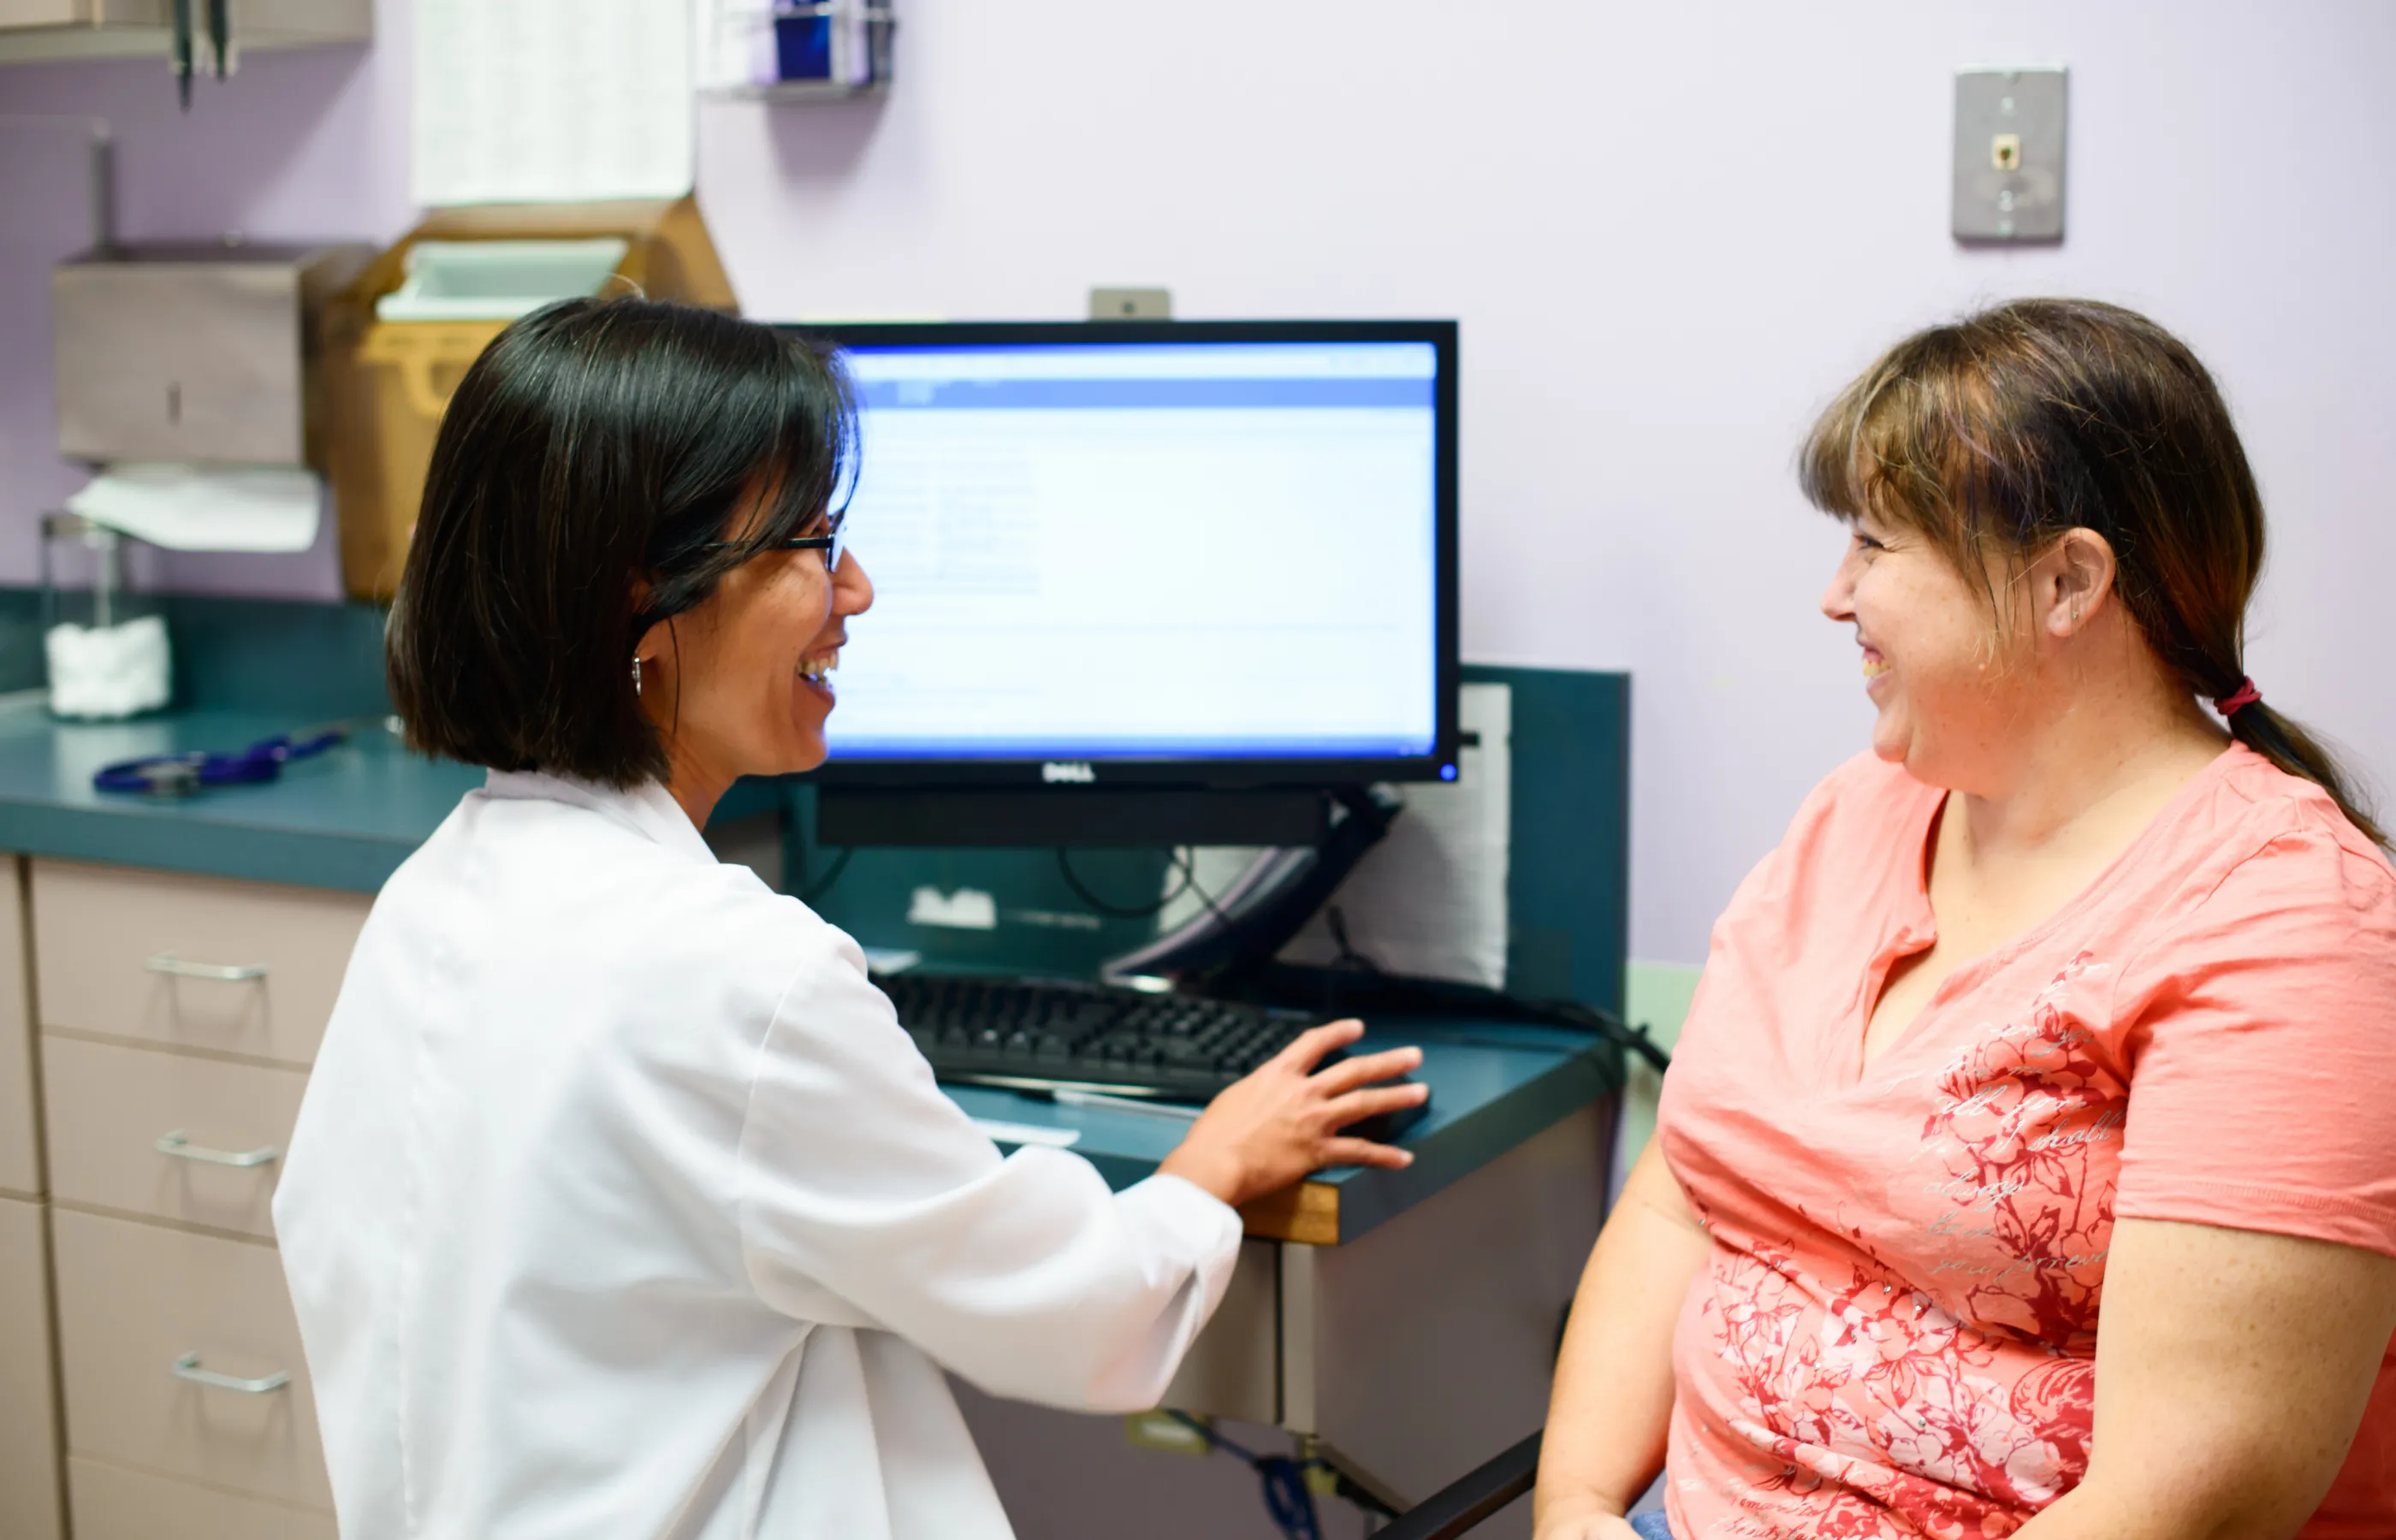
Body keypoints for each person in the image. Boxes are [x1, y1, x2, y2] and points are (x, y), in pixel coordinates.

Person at [271, 298, 1428, 1540]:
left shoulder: (432, 899)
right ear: (640, 601)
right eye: (813, 543)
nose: (858, 591)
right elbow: (1068, 1313)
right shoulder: (740, 977)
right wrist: (1209, 1170)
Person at [1534, 299, 2396, 1540]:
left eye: (1877, 546)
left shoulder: (2286, 921)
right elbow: (1681, 1203)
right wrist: (1572, 1509)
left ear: (2068, 582)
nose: (1837, 597)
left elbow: (2191, 1496)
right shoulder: (1857, 816)